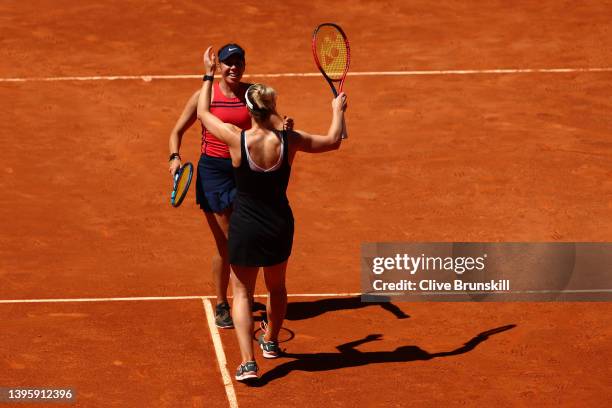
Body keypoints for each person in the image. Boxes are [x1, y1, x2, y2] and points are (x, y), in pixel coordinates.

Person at [197, 46, 347, 381]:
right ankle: (271, 341)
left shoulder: (237, 139)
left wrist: (208, 73)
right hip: (279, 225)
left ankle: (249, 362)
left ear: (248, 110)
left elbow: (204, 112)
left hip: (246, 227)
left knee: (241, 292)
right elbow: (334, 140)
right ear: (273, 109)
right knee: (276, 288)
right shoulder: (290, 139)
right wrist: (337, 110)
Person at [168, 44, 291, 329]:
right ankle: (225, 302)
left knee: (241, 237)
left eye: (239, 62)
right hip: (213, 174)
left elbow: (276, 123)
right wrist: (175, 157)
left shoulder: (252, 96)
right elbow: (176, 132)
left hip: (244, 171)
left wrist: (285, 126)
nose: (234, 67)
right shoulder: (204, 96)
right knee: (228, 243)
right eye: (228, 63)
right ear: (218, 66)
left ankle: (242, 297)